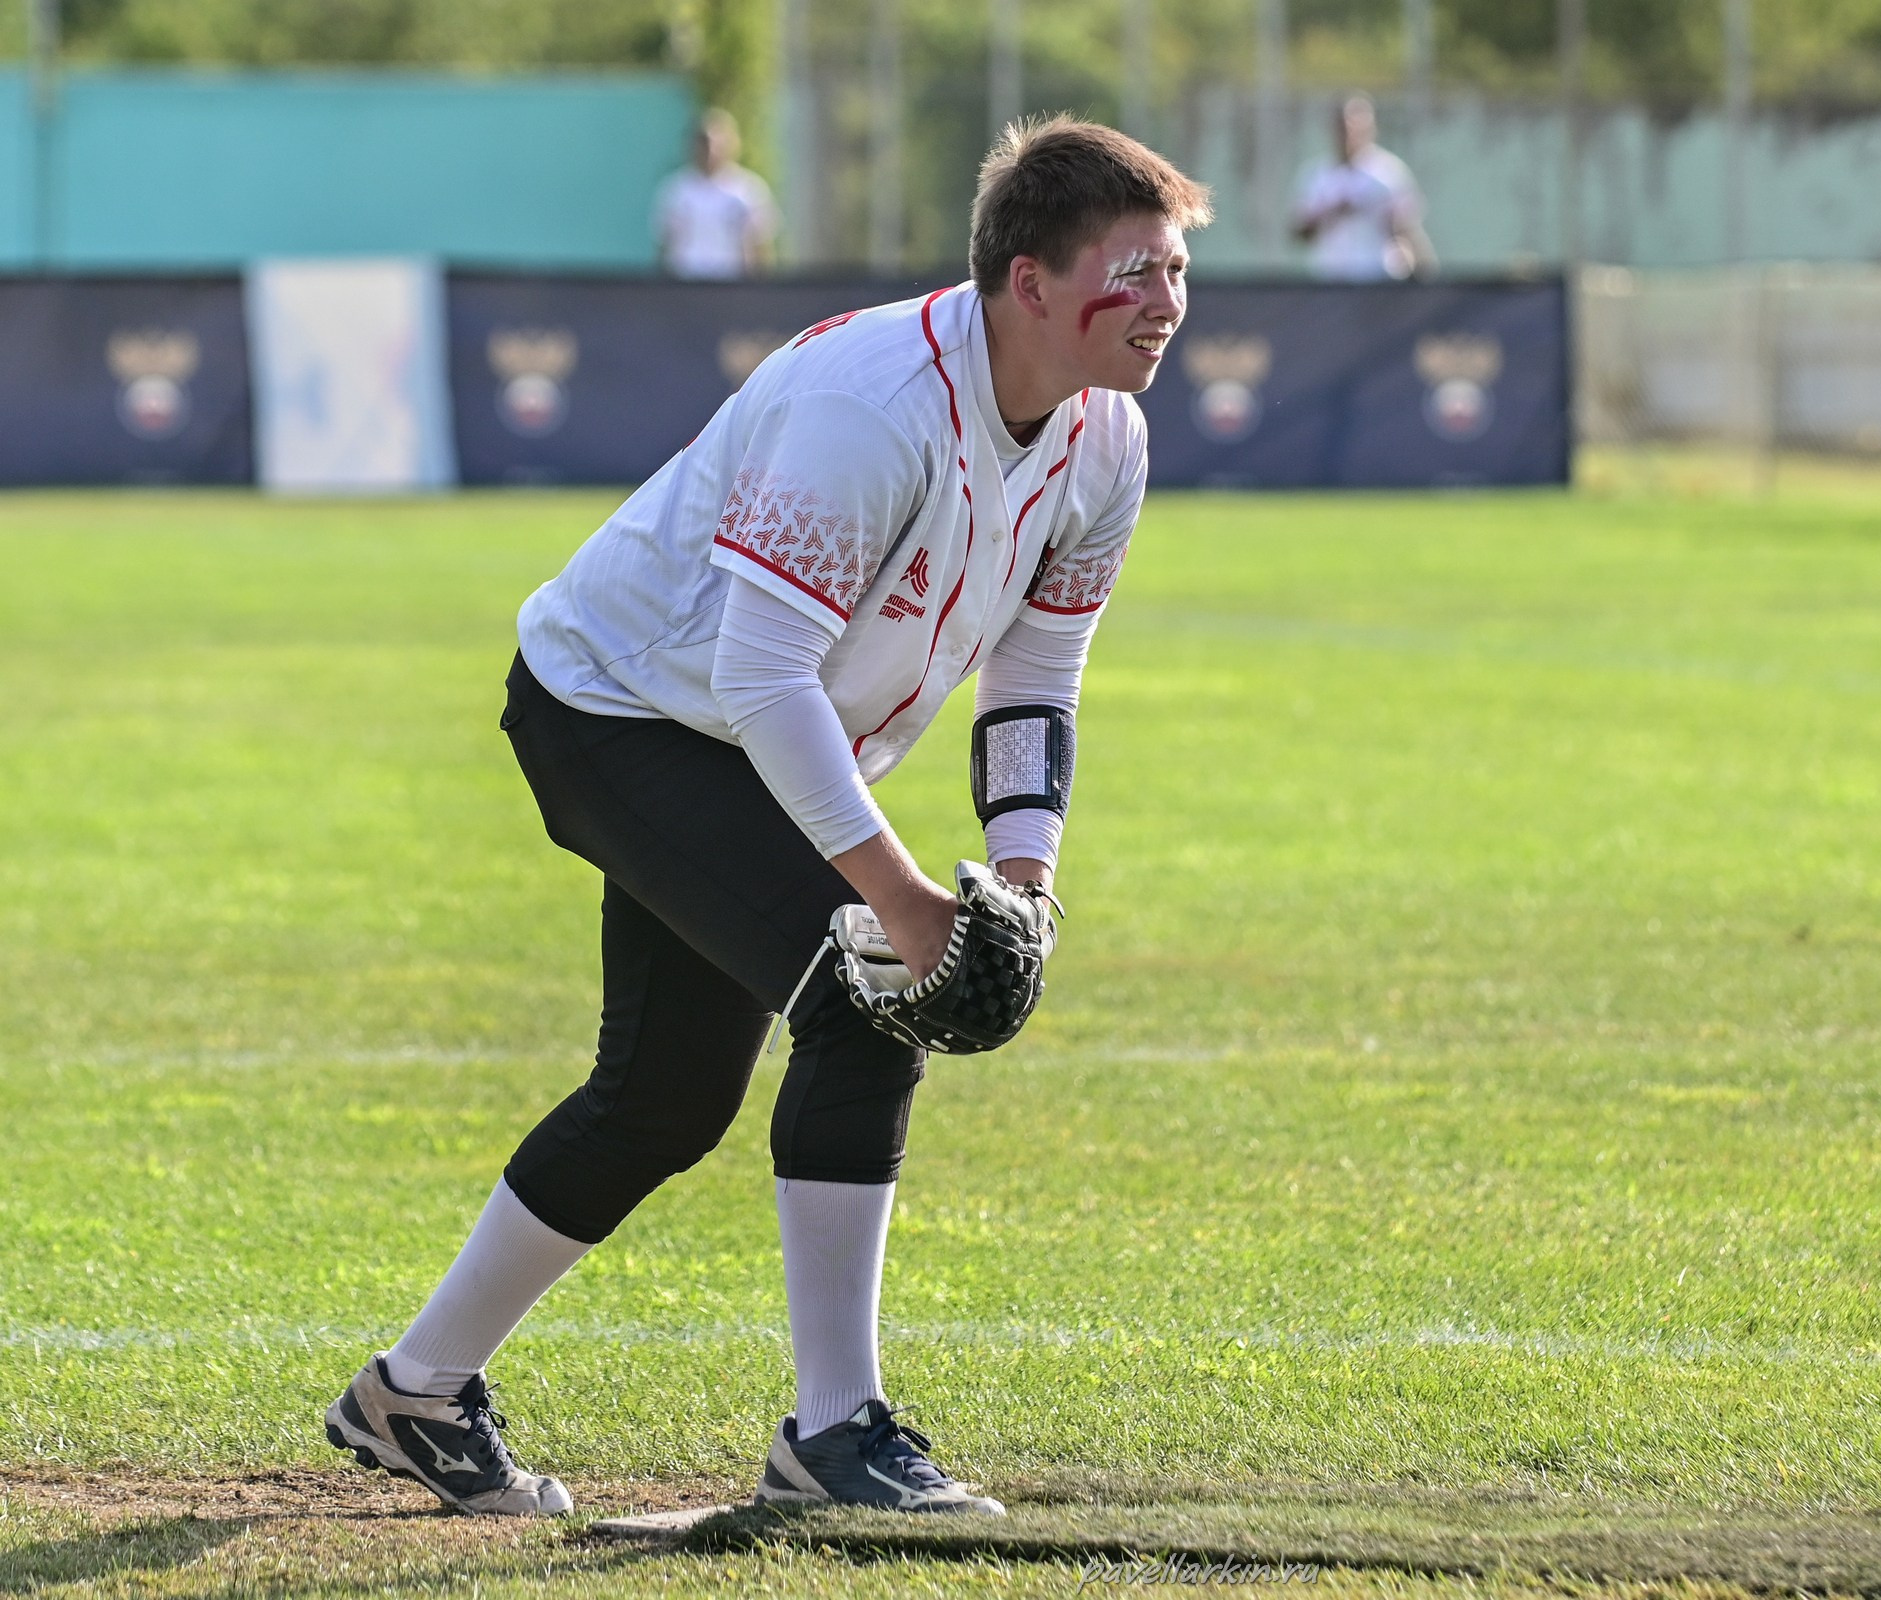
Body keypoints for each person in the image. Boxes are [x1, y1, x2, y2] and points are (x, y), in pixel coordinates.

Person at [323, 117, 1210, 1518]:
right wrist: (909, 902)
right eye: (1135, 271)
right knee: (865, 998)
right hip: (616, 709)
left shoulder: (1110, 439)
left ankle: (413, 1394)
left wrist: (1026, 877)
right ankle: (832, 1436)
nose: (1164, 305)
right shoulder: (879, 403)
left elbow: (1039, 667)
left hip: (735, 728)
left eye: (1175, 272)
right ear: (1028, 281)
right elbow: (757, 671)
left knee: (665, 1098)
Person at [1290, 94, 1435, 281]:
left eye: (1355, 127)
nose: (1348, 134)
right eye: (1343, 127)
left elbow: (1407, 227)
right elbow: (1300, 232)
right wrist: (1333, 212)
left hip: (1376, 279)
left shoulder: (1388, 172)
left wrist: (1423, 268)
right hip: (1329, 279)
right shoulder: (1316, 175)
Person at [653, 108, 780, 279]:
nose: (711, 150)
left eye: (717, 143)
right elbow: (665, 246)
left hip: (733, 288)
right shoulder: (676, 189)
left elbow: (761, 247)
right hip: (686, 287)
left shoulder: (749, 189)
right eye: (704, 143)